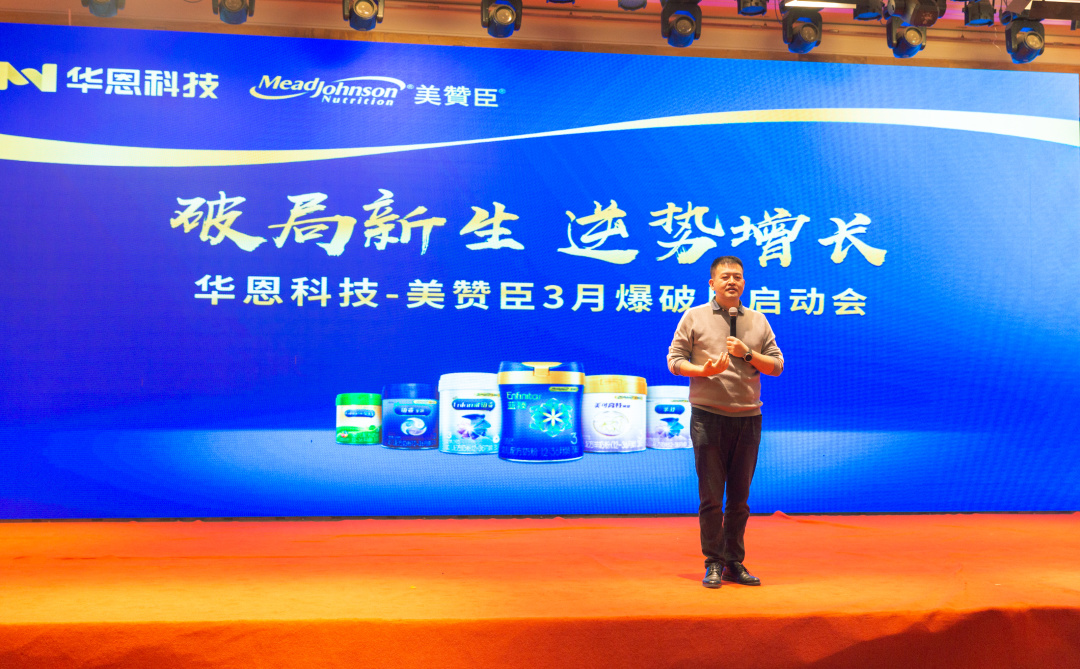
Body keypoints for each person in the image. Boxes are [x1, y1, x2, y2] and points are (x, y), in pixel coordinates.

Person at [666, 256, 784, 589]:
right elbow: (674, 361)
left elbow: (777, 366)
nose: (732, 281)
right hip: (708, 417)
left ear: (744, 283)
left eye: (738, 277)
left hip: (748, 418)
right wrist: (703, 370)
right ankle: (713, 563)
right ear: (712, 283)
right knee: (711, 498)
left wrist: (747, 353)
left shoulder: (758, 320)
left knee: (739, 500)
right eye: (725, 277)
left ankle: (734, 562)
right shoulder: (694, 316)